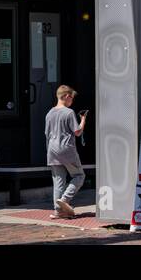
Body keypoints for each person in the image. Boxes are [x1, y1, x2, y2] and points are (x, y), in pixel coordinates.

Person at [45, 84, 86, 218]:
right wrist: (83, 120)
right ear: (67, 96)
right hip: (66, 149)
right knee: (79, 176)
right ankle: (64, 200)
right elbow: (77, 132)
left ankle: (58, 211)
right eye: (72, 98)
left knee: (58, 181)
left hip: (52, 150)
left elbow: (47, 134)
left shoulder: (49, 113)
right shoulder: (69, 112)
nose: (72, 101)